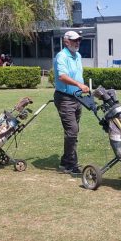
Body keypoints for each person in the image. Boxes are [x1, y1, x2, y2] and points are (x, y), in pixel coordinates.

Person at [53, 30, 89, 174]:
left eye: (79, 40)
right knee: (72, 131)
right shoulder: (61, 56)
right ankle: (71, 164)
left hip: (77, 97)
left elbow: (77, 74)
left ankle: (65, 162)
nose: (77, 43)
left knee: (73, 132)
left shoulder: (78, 55)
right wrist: (79, 85)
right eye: (75, 40)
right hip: (64, 98)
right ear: (66, 41)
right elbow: (62, 76)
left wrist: (82, 87)